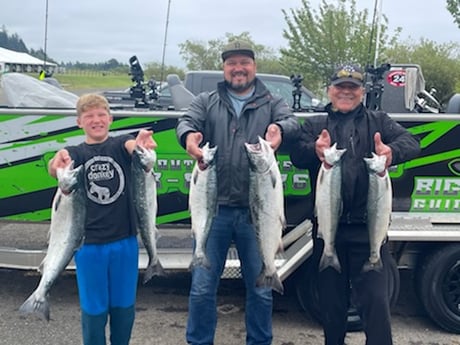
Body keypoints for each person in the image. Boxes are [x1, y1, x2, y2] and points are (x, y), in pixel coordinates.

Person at [176, 39, 299, 345]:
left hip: (257, 214)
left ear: (254, 66)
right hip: (213, 210)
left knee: (260, 289)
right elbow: (186, 121)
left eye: (244, 62)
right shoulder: (207, 100)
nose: (238, 68)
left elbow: (292, 122)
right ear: (224, 68)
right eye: (232, 63)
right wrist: (189, 136)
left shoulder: (272, 101)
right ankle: (199, 341)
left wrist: (280, 130)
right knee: (202, 287)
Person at [289, 63, 421, 345]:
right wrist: (314, 149)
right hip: (328, 232)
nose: (346, 93)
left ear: (362, 92)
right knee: (332, 308)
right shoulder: (315, 124)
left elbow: (412, 143)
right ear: (330, 91)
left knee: (376, 306)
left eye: (352, 88)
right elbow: (297, 156)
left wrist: (390, 153)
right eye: (340, 87)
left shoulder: (379, 121)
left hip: (368, 231)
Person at [48, 93, 156, 345]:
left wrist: (141, 145)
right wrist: (57, 163)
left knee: (124, 305)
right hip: (88, 246)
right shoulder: (75, 153)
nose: (96, 120)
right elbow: (56, 165)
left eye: (100, 115)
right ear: (79, 122)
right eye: (89, 116)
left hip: (125, 242)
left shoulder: (121, 144)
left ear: (110, 118)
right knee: (94, 309)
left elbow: (135, 148)